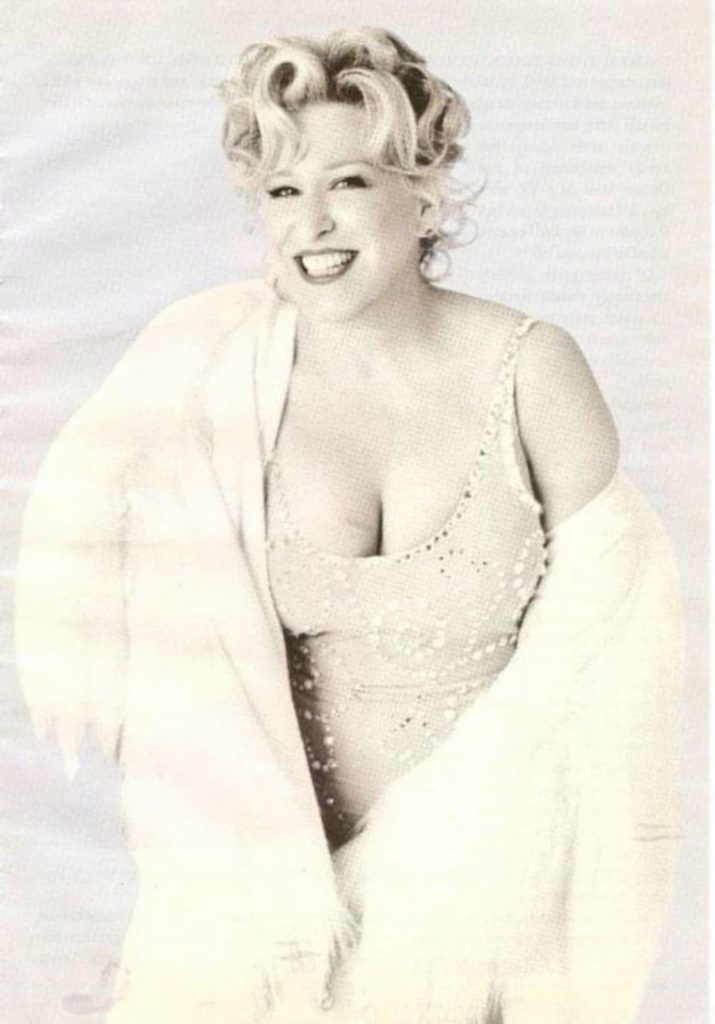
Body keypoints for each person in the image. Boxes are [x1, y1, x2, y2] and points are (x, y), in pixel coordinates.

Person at [14, 26, 684, 1024]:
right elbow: (145, 655)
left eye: (350, 183)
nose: (312, 223)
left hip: (490, 930)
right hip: (267, 941)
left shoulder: (531, 370)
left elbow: (619, 676)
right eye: (283, 190)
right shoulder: (211, 380)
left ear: (424, 194)